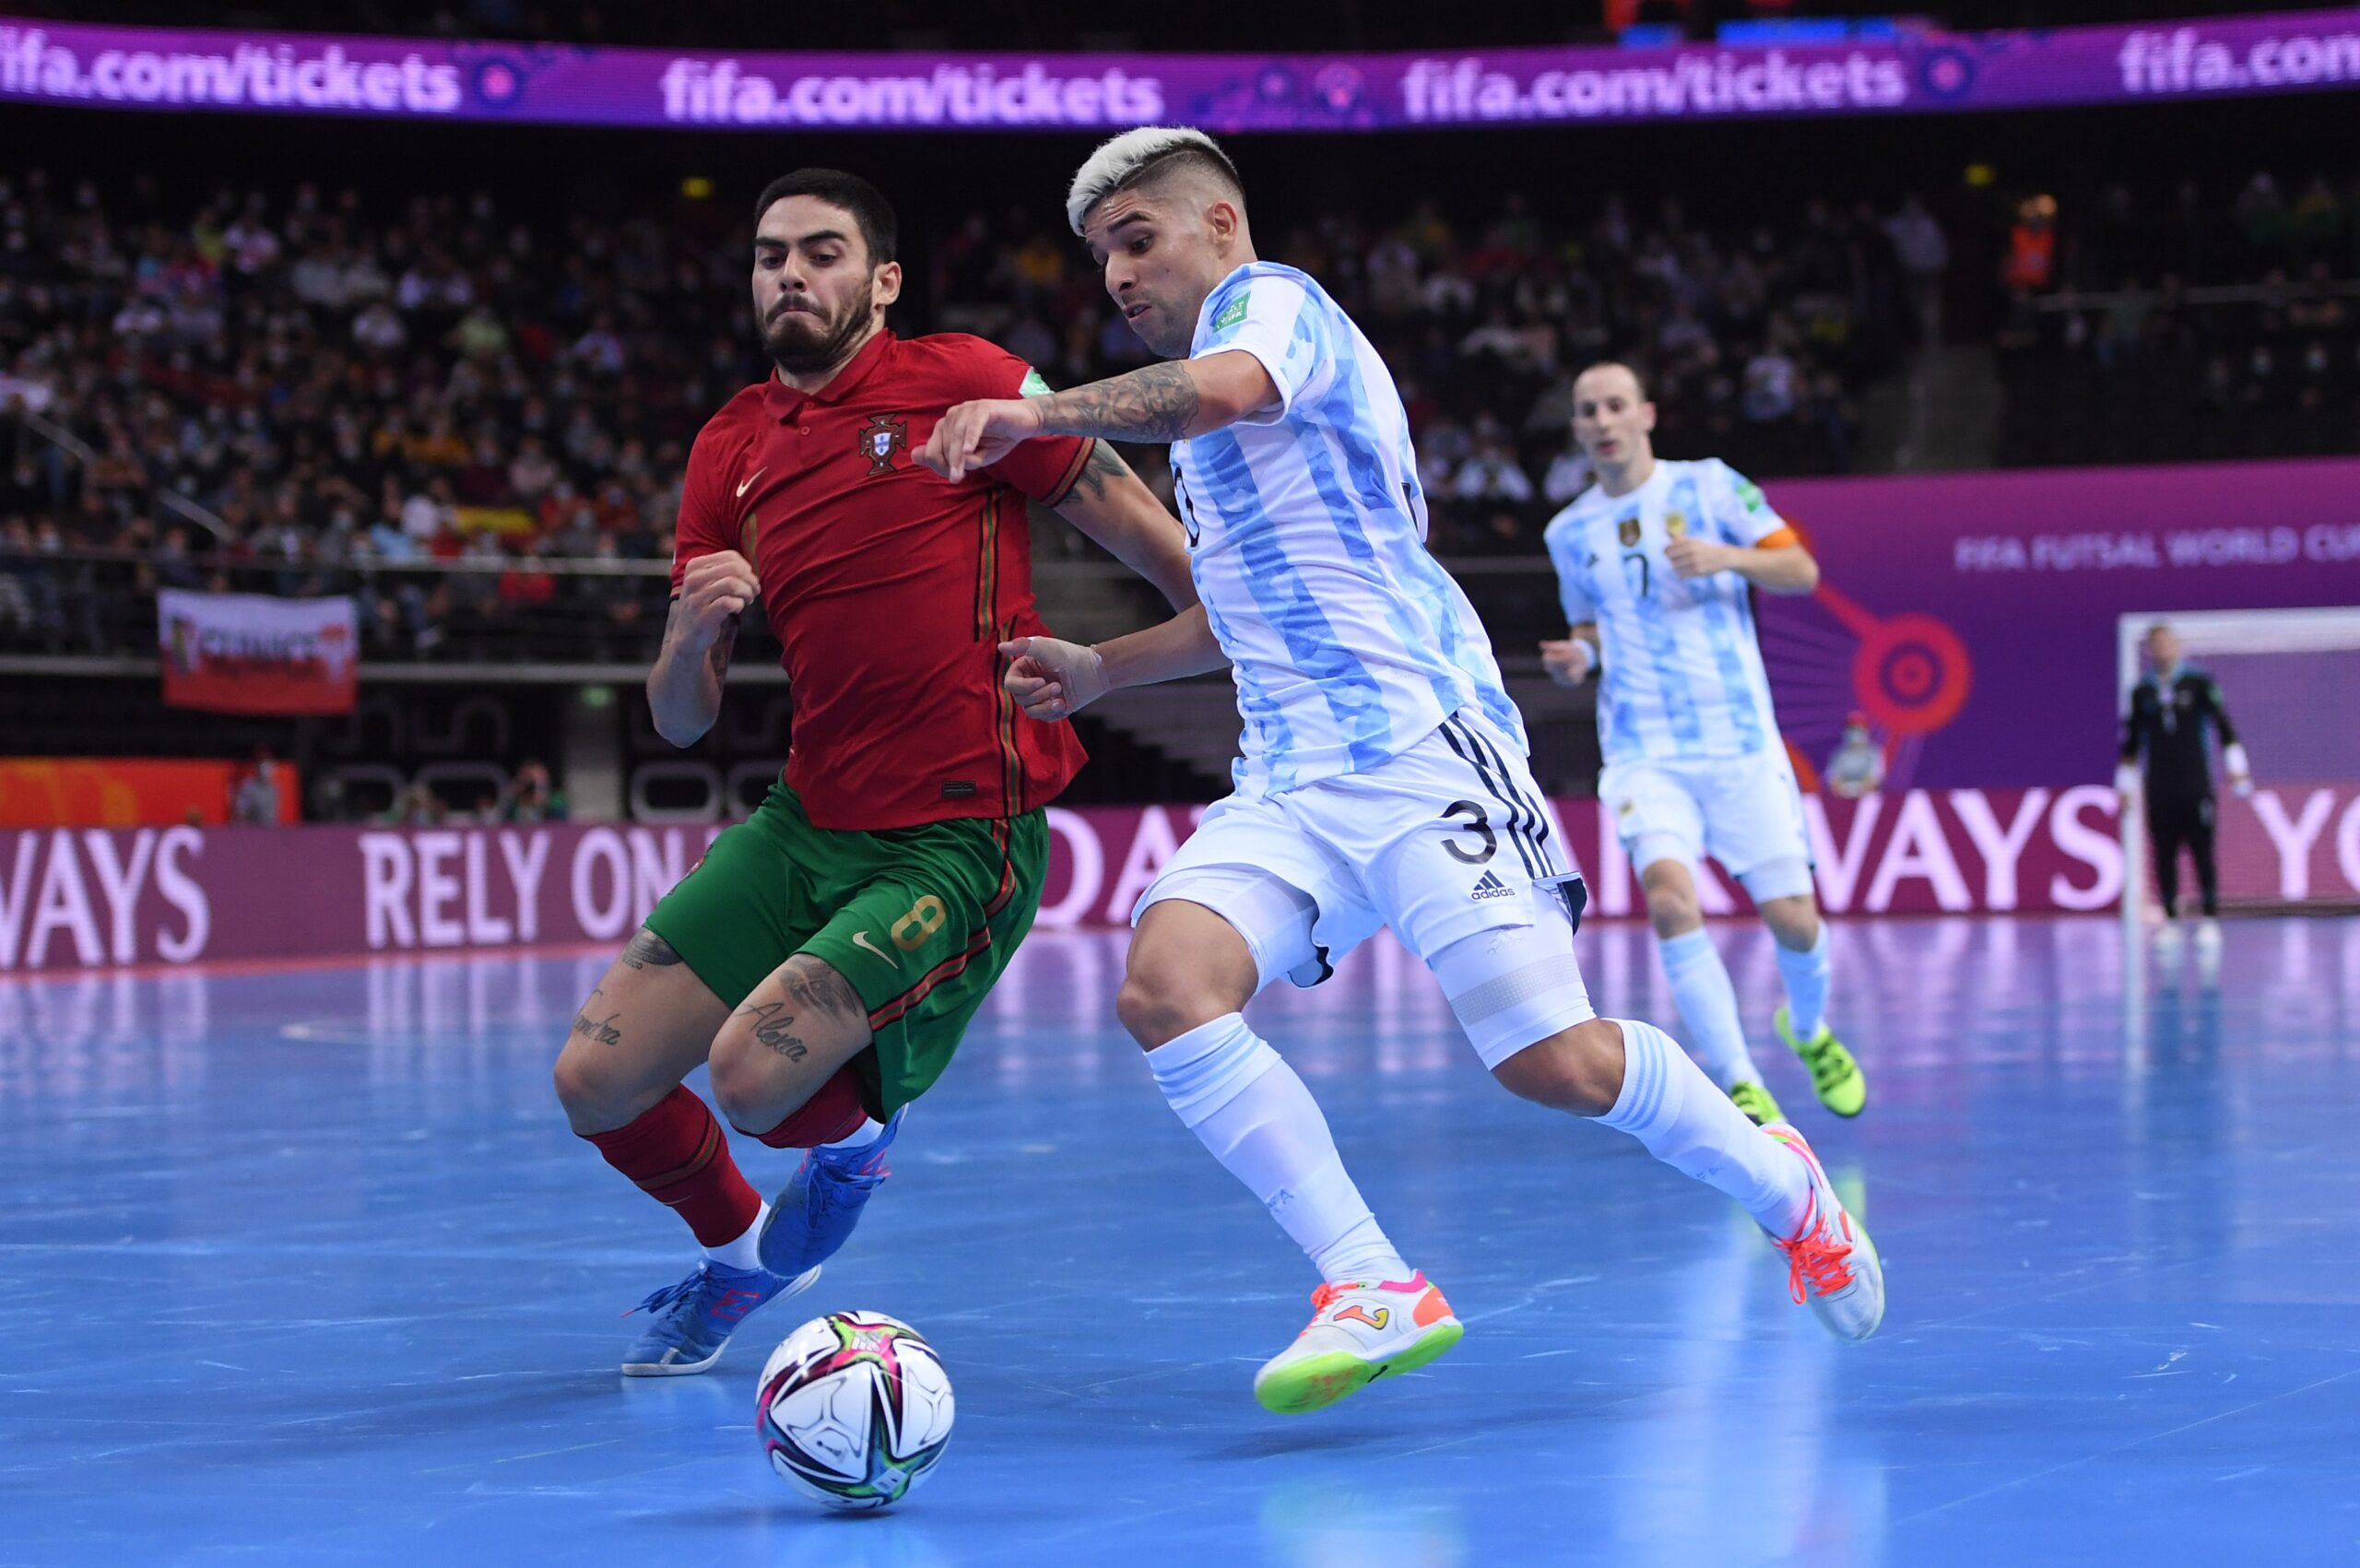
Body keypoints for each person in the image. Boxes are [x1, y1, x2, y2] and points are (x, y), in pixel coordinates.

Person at [923, 127, 1882, 1417]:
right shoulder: (1210, 456)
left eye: (1137, 241)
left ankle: (1789, 1189)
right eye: (1102, 262)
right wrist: (1103, 672)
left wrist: (1040, 415)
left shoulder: (1279, 312)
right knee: (1167, 986)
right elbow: (1234, 617)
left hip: (1424, 746)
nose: (1118, 278)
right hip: (1290, 780)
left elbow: (1218, 386)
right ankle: (1371, 1283)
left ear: (1220, 224)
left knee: (1554, 1061)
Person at [549, 169, 1195, 1377]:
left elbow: (1167, 557)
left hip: (961, 833)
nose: (789, 273)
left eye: (822, 252)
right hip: (806, 821)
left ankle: (852, 1143)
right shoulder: (729, 446)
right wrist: (690, 636)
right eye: (769, 254)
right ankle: (743, 1252)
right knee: (595, 1079)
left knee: (751, 1079)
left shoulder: (970, 382)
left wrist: (1142, 668)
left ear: (882, 280)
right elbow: (680, 722)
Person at [1539, 361, 1864, 1128]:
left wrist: (1729, 558)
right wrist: (1581, 657)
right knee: (1669, 896)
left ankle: (1810, 1032)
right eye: (1589, 410)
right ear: (1578, 428)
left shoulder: (1712, 487)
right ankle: (1740, 1078)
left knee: (1795, 921)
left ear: (1646, 413)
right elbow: (1592, 628)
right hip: (1643, 752)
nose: (1604, 420)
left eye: (1617, 405)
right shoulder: (1568, 532)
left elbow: (1800, 568)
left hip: (1740, 742)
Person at [2118, 622, 2249, 954]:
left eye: (2167, 643)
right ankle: (2171, 919)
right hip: (2160, 785)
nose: (2162, 649)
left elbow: (2224, 727)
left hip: (2196, 783)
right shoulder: (2141, 692)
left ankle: (2209, 917)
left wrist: (2237, 768)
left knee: (2202, 851)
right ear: (2149, 650)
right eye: (2155, 644)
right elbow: (2131, 743)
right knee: (2164, 853)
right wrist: (2124, 784)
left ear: (2176, 646)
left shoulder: (2199, 682)